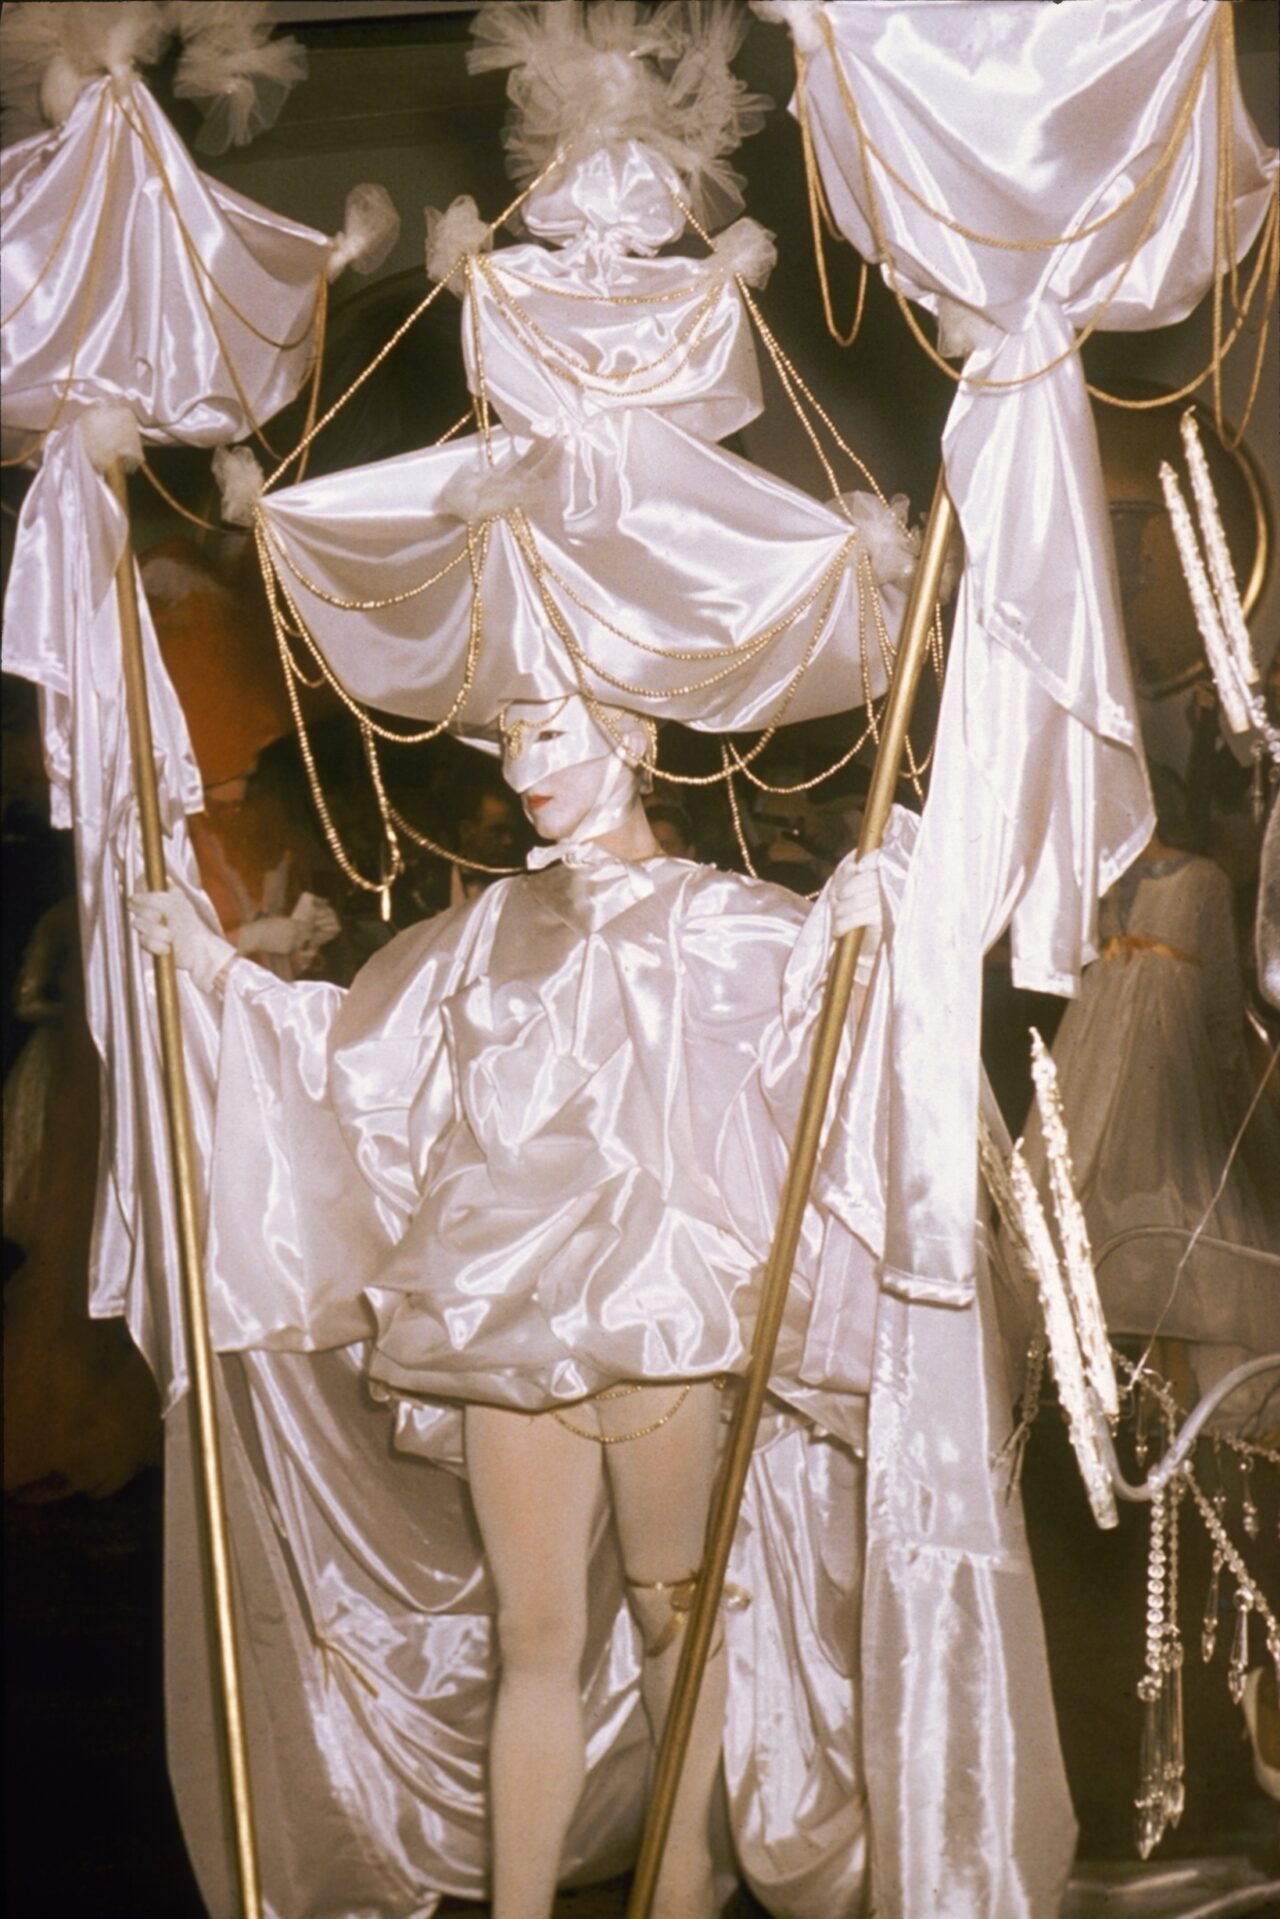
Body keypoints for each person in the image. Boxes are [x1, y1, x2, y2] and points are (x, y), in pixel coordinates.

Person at [133, 690, 895, 1919]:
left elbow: (820, 1059)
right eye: (513, 738)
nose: (525, 763)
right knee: (533, 1633)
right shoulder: (485, 923)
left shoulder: (723, 918)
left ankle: (680, 1887)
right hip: (499, 1315)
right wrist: (218, 968)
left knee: (674, 1615)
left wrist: (868, 946)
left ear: (637, 742)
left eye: (555, 732)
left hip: (659, 1314)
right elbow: (358, 1062)